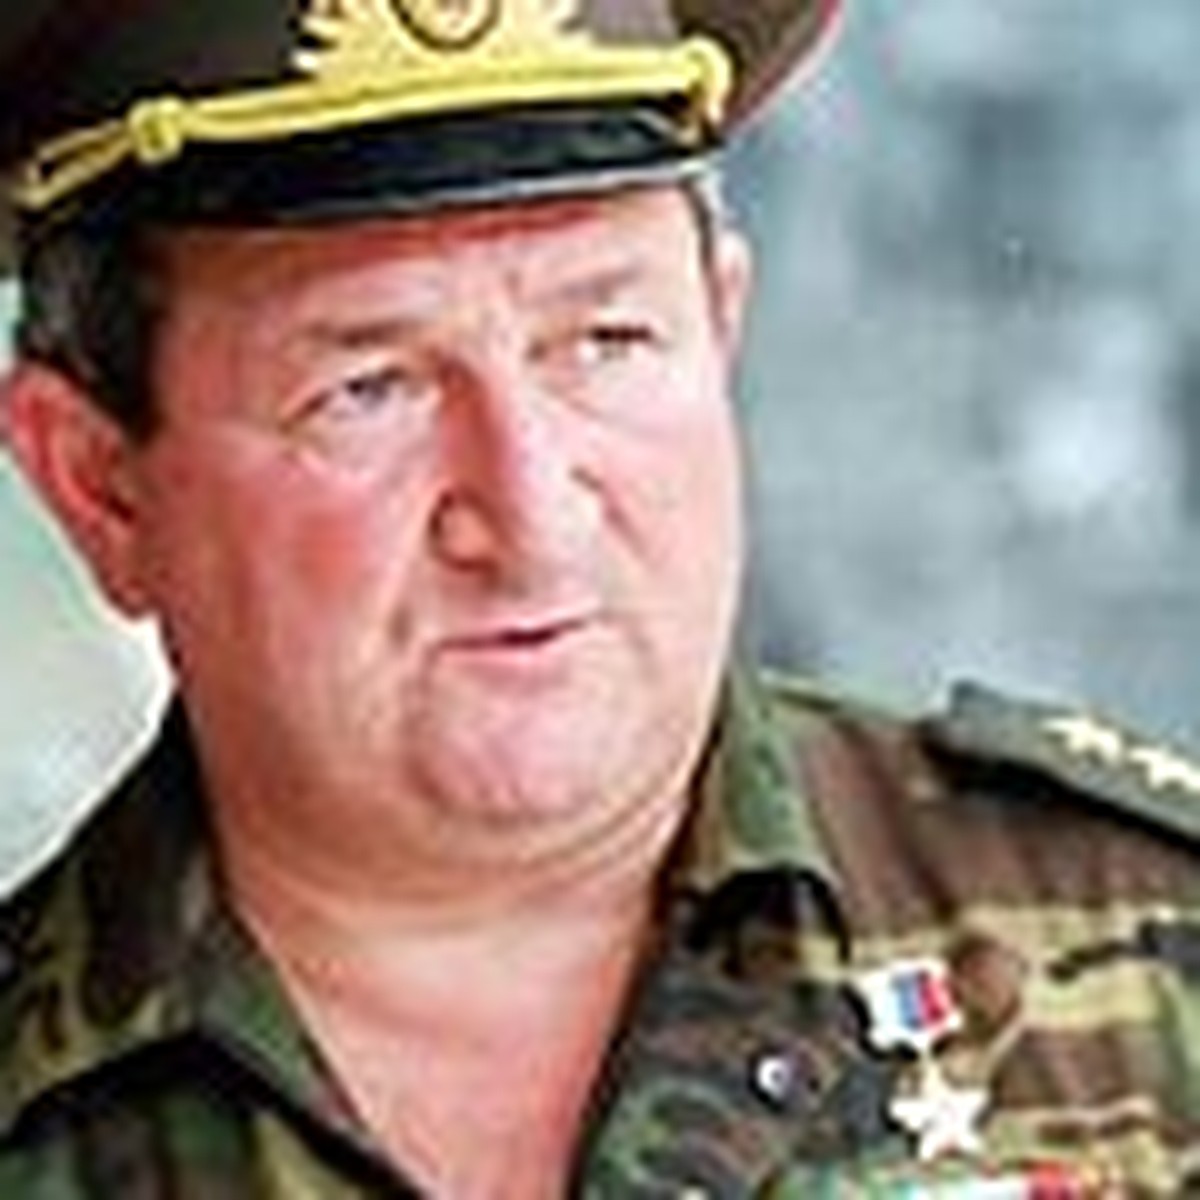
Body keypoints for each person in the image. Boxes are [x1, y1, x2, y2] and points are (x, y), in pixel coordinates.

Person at [0, 0, 1198, 1195]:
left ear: (721, 331)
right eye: (370, 388)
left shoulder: (1154, 942)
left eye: (607, 342)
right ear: (101, 487)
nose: (531, 512)